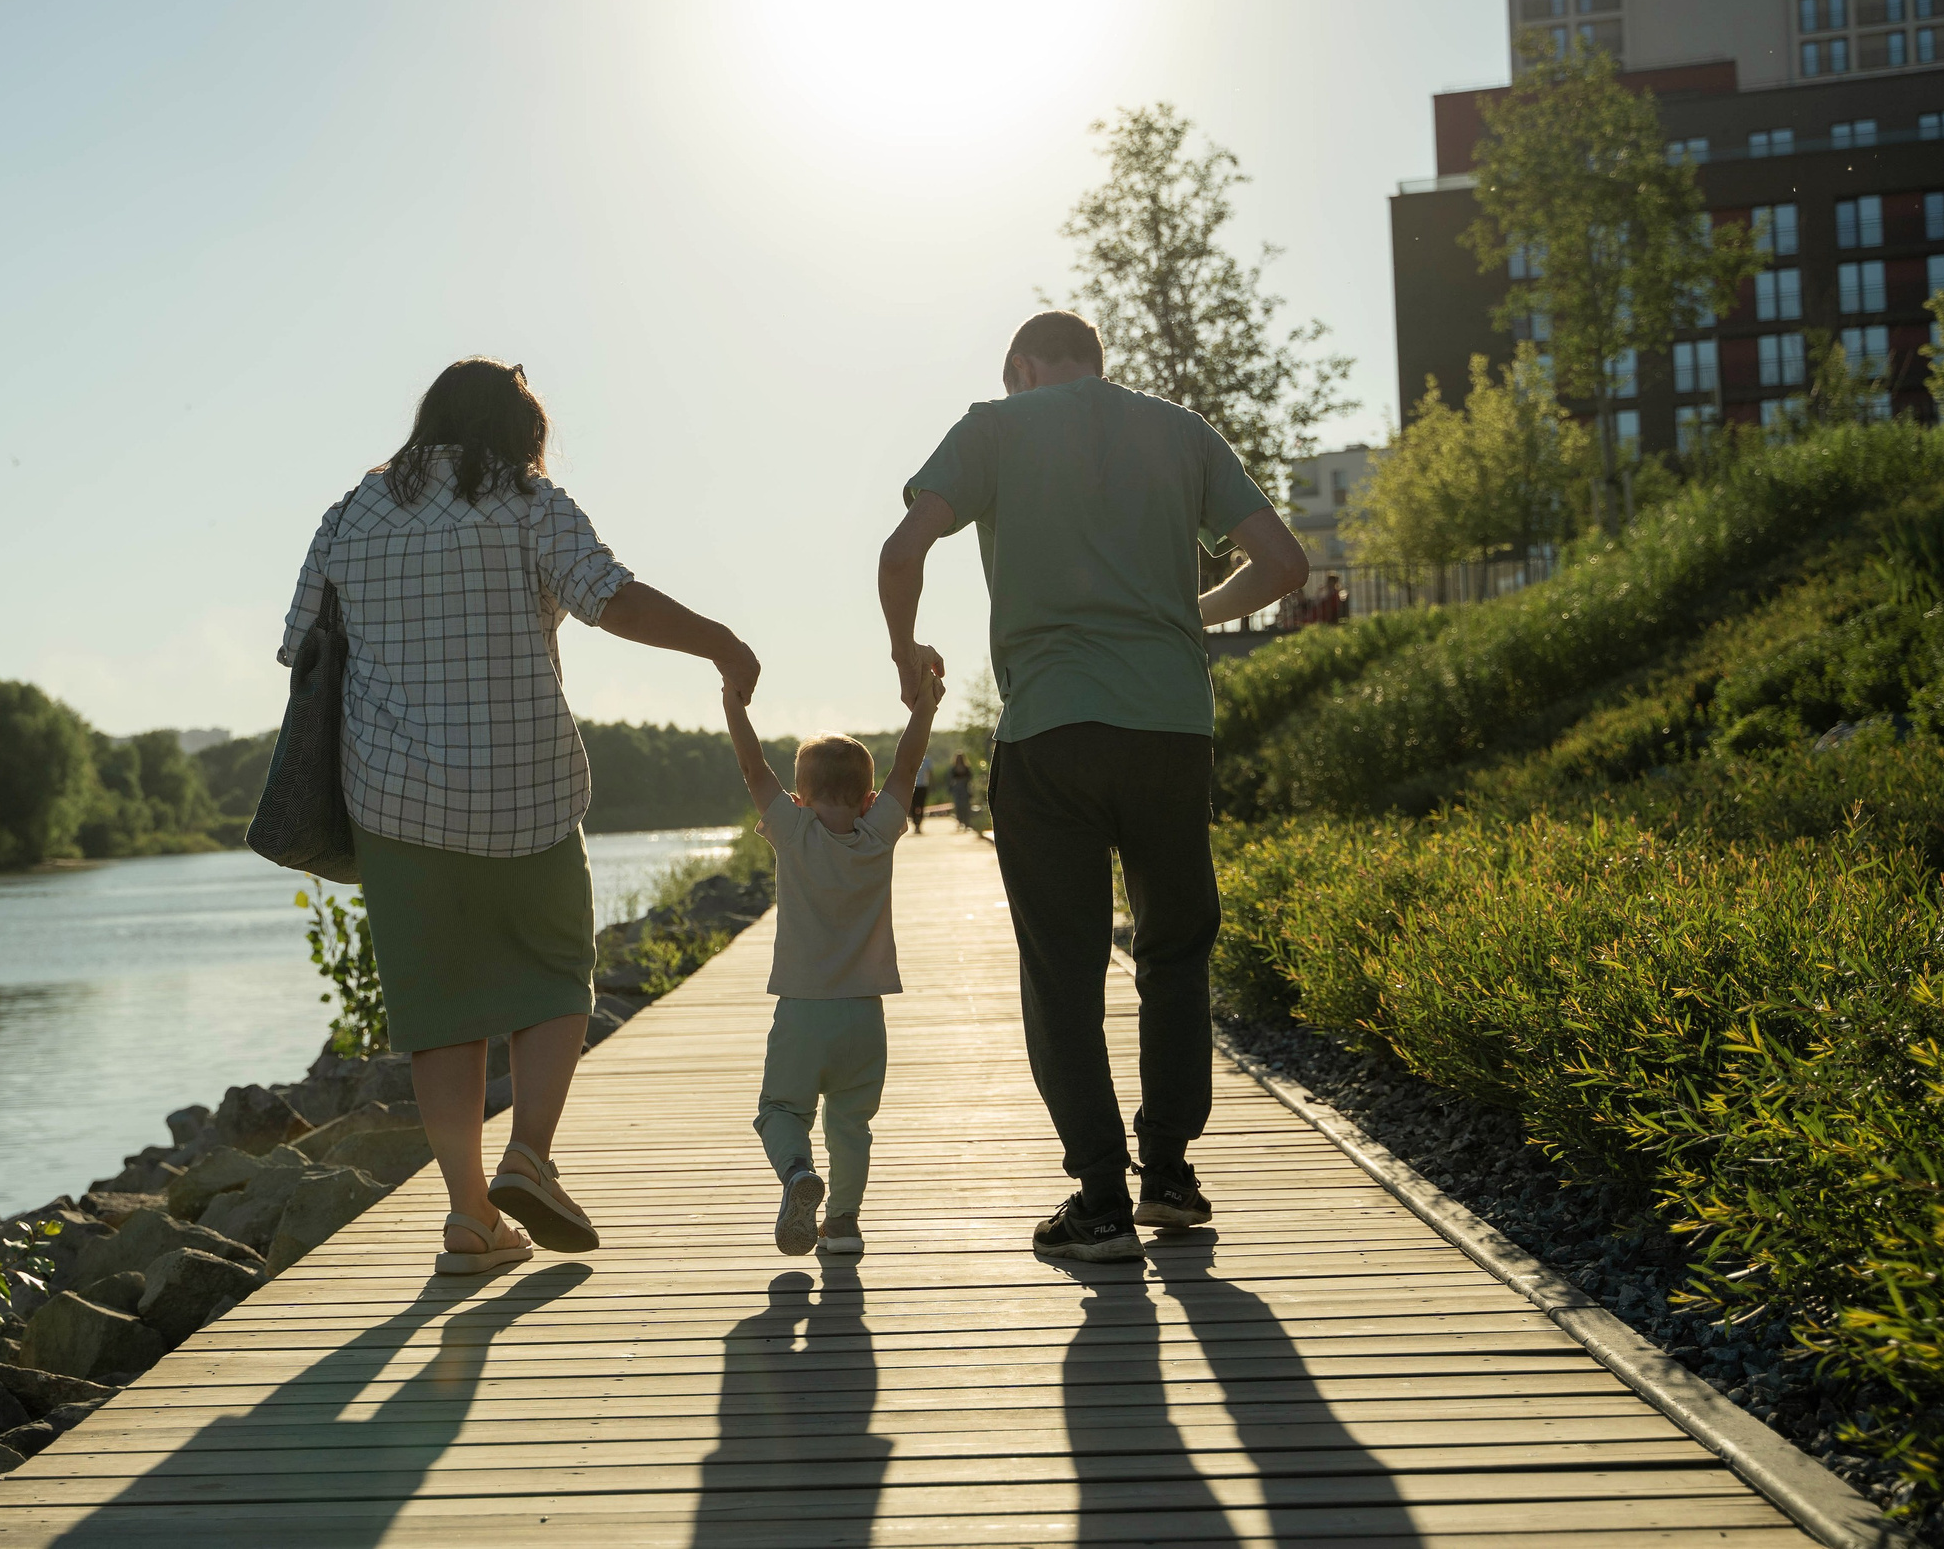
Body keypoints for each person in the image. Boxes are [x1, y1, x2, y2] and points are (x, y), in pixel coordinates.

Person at [280, 356, 758, 1275]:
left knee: (440, 1012)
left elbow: (300, 646)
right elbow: (609, 597)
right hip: (527, 790)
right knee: (553, 977)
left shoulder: (352, 513)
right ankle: (530, 1155)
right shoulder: (533, 502)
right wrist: (720, 642)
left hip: (397, 800)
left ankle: (469, 1218)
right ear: (519, 428)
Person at [876, 311, 1307, 1262]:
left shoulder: (993, 425)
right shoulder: (1182, 430)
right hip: (1169, 732)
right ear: (1097, 361)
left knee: (1063, 969)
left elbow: (901, 552)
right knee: (1175, 951)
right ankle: (1172, 1176)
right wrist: (1184, 616)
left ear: (1024, 367)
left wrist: (908, 656)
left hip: (1050, 733)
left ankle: (1101, 1202)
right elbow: (1283, 565)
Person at [720, 672, 940, 1257]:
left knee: (780, 1109)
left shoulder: (794, 833)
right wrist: (924, 707)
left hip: (802, 1012)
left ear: (798, 799)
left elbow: (752, 769)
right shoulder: (878, 835)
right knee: (850, 1124)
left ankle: (796, 1175)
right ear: (869, 798)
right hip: (865, 1018)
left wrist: (734, 704)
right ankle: (842, 1224)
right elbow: (906, 766)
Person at [945, 752, 974, 831]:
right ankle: (960, 821)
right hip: (957, 789)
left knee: (966, 806)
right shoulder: (953, 768)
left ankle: (966, 822)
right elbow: (950, 779)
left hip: (965, 788)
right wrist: (950, 788)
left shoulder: (967, 768)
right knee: (958, 806)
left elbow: (970, 778)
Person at [910, 752, 933, 832]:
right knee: (913, 805)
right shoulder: (912, 760)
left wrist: (931, 784)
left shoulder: (927, 761)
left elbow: (930, 773)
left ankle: (919, 823)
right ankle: (915, 823)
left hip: (923, 786)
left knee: (921, 805)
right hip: (913, 786)